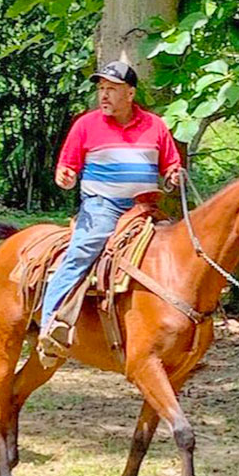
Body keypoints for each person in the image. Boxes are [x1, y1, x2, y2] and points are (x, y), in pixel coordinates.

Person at [38, 60, 182, 358]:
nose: (104, 95)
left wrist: (173, 176)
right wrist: (65, 176)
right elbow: (66, 167)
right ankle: (49, 325)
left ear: (130, 94)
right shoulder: (86, 125)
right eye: (101, 89)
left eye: (112, 89)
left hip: (145, 208)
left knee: (176, 255)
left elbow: (171, 166)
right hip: (102, 207)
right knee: (82, 252)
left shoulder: (155, 125)